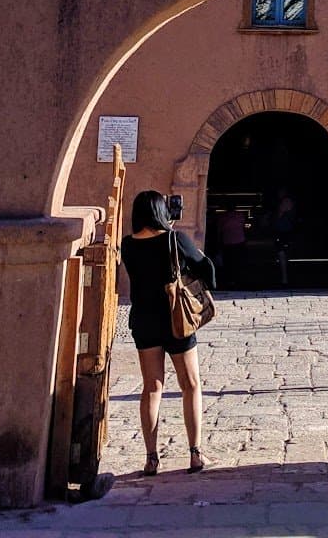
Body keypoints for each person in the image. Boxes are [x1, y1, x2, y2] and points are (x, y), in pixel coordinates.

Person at [121, 189, 216, 475]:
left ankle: (151, 458)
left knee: (152, 388)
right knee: (190, 384)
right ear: (162, 212)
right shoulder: (175, 240)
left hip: (144, 321)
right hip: (177, 321)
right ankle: (195, 454)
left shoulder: (127, 245)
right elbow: (206, 268)